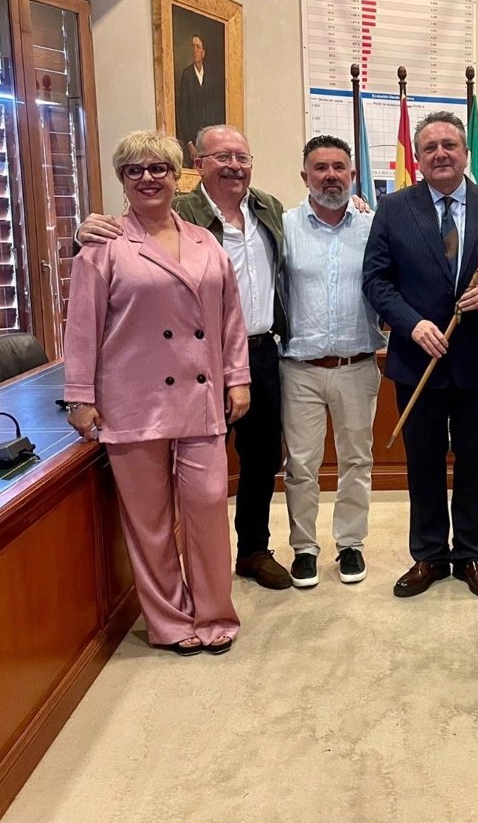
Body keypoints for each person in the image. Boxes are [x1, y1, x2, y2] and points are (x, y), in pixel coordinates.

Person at [77, 125, 292, 591]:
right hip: (184, 367)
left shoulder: (269, 209)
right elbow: (111, 268)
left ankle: (253, 550)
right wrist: (79, 232)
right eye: (221, 157)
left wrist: (357, 204)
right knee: (176, 499)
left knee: (258, 463)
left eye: (242, 157)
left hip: (256, 355)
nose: (234, 166)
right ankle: (172, 600)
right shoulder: (184, 211)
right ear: (196, 167)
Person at [63, 131, 249, 656]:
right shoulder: (101, 247)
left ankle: (214, 613)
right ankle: (168, 622)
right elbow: (81, 328)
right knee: (150, 521)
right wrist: (79, 396)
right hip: (132, 398)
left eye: (158, 168)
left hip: (201, 397)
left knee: (208, 508)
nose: (148, 178)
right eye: (134, 170)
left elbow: (230, 317)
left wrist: (238, 376)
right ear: (122, 180)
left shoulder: (206, 241)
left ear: (177, 176)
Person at [362, 110, 478, 600]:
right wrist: (412, 324)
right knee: (423, 462)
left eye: (449, 145)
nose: (440, 154)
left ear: (465, 153)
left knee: (475, 461)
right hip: (418, 361)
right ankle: (429, 554)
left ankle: (472, 553)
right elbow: (376, 280)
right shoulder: (393, 208)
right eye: (429, 147)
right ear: (417, 157)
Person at [278, 135, 383, 588]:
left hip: (357, 365)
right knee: (301, 465)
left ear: (353, 175)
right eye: (320, 168)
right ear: (305, 176)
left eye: (339, 167)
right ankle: (304, 548)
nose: (330, 176)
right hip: (299, 368)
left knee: (357, 460)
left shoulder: (373, 227)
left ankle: (350, 543)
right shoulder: (282, 227)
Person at [176, 35, 225, 165]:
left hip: (211, 143)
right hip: (193, 142)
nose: (194, 50)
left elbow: (217, 111)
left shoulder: (211, 76)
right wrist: (189, 144)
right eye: (193, 47)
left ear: (203, 52)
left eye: (198, 47)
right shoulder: (187, 75)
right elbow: (182, 112)